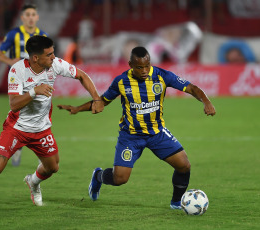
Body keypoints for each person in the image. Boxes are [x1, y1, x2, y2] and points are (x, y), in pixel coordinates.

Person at [58, 46, 216, 209]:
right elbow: (102, 101)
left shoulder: (162, 76)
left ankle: (176, 202)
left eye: (147, 65)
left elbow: (191, 88)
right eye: (139, 67)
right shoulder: (121, 81)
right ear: (130, 65)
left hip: (157, 133)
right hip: (131, 136)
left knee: (184, 165)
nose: (144, 70)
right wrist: (78, 108)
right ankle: (98, 176)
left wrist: (206, 101)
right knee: (120, 179)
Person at [0, 35, 104, 211]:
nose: (53, 57)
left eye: (53, 53)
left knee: (52, 167)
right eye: (49, 54)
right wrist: (34, 91)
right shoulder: (17, 70)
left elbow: (82, 75)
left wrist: (96, 99)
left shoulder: (55, 65)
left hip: (41, 129)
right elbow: (13, 104)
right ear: (35, 58)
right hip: (16, 128)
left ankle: (33, 182)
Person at [0, 3, 48, 166]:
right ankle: (17, 146)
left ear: (37, 17)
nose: (31, 17)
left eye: (33, 14)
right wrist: (11, 61)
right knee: (18, 109)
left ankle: (21, 146)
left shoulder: (43, 36)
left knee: (34, 112)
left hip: (36, 79)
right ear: (22, 17)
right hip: (18, 79)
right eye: (28, 15)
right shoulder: (14, 34)